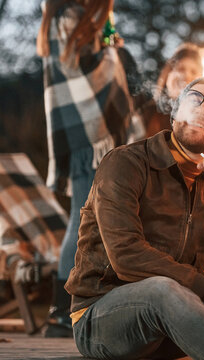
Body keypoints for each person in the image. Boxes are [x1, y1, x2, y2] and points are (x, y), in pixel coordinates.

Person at [64, 77, 204, 359]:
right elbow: (126, 255)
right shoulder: (126, 162)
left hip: (178, 324)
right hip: (103, 321)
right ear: (175, 113)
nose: (202, 108)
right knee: (162, 288)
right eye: (195, 99)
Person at [36, 0, 144, 337]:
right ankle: (61, 310)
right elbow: (93, 72)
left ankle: (69, 306)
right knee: (82, 220)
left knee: (85, 218)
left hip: (84, 134)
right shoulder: (67, 17)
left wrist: (109, 43)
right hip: (88, 135)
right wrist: (113, 54)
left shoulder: (69, 18)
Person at [142, 43, 203, 137]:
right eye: (181, 69)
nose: (187, 76)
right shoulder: (147, 112)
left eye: (193, 72)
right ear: (168, 74)